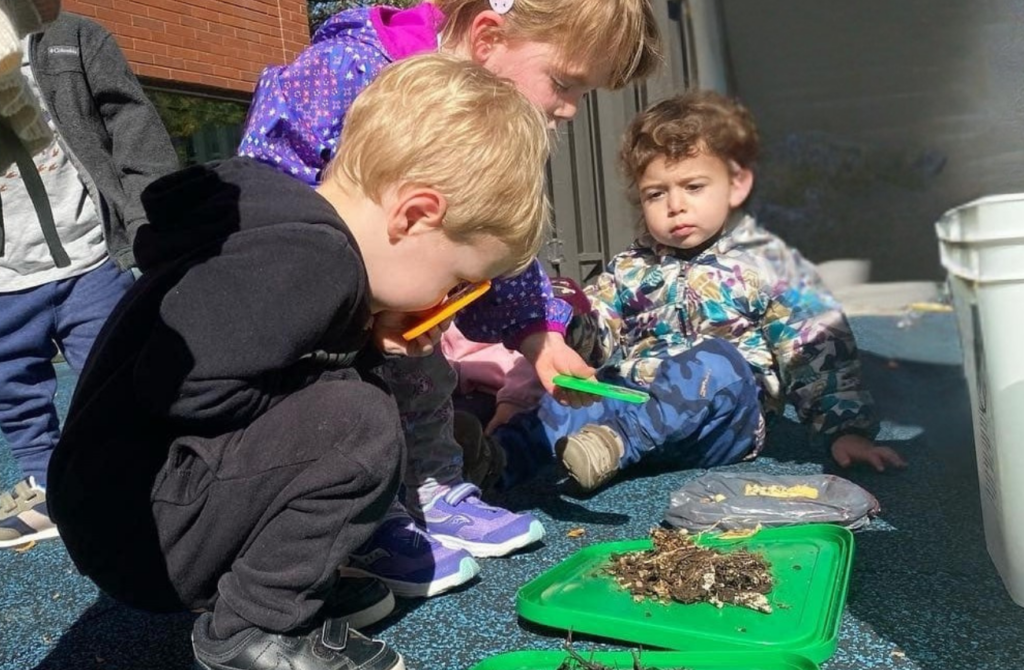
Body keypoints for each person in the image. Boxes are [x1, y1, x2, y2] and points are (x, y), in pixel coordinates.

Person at [47, 53, 551, 670]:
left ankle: (279, 585)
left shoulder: (285, 229)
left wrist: (361, 340)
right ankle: (255, 625)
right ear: (416, 215)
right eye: (457, 280)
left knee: (343, 413)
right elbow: (179, 387)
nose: (444, 302)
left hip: (130, 506)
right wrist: (344, 361)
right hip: (140, 530)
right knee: (357, 424)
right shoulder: (315, 264)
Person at [238, 0, 662, 597]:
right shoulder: (346, 74)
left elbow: (489, 245)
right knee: (346, 402)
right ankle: (366, 514)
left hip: (398, 321)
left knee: (421, 372)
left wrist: (541, 334)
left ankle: (430, 488)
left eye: (583, 93)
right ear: (488, 40)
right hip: (311, 324)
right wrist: (362, 305)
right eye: (565, 83)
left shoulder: (488, 122)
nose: (569, 107)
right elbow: (270, 192)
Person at [485, 90, 908, 493]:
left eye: (693, 187)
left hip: (725, 423)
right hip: (633, 402)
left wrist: (846, 430)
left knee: (716, 364)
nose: (676, 205)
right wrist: (575, 317)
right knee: (573, 401)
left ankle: (613, 445)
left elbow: (817, 347)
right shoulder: (631, 267)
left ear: (735, 185)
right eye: (657, 193)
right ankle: (488, 462)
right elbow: (596, 342)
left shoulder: (767, 264)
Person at [0, 10, 178, 548]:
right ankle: (47, 481)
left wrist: (152, 223)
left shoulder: (71, 39)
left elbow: (134, 128)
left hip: (92, 255)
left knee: (120, 375)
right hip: (5, 278)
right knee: (14, 389)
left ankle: (147, 474)